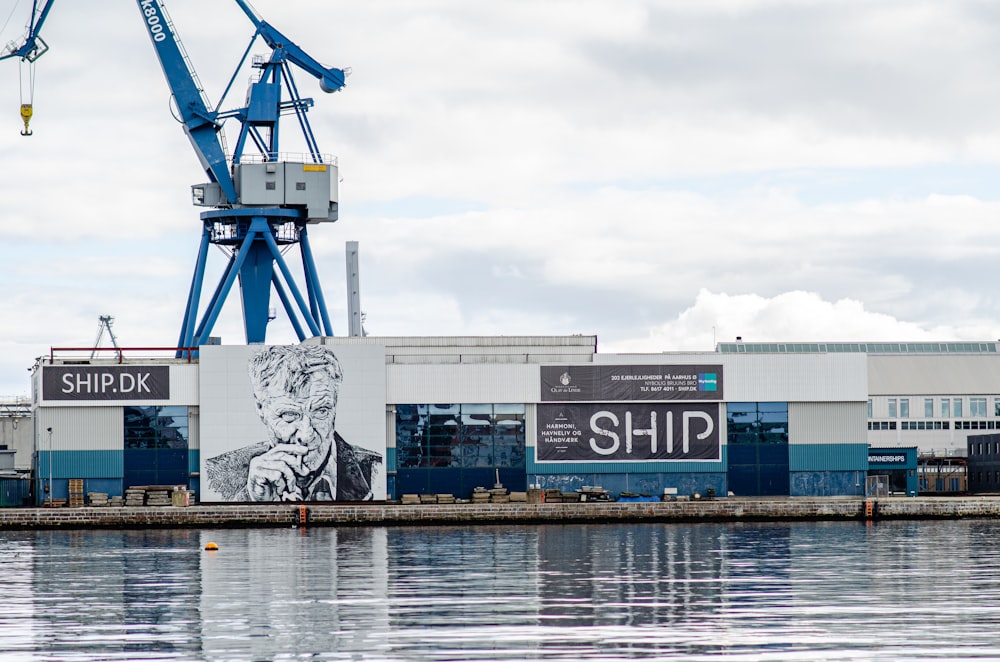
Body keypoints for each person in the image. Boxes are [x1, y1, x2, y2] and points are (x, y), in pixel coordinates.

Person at [205, 345, 382, 502]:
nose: (306, 435)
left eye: (321, 411)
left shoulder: (377, 471)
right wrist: (252, 498)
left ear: (335, 407)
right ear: (260, 408)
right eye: (289, 415)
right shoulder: (215, 475)